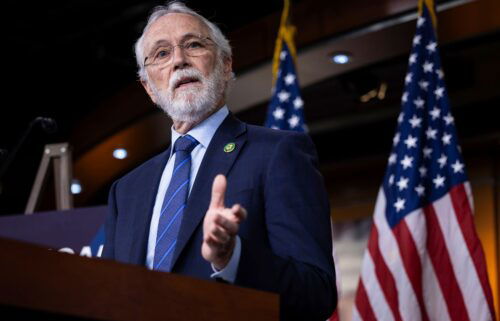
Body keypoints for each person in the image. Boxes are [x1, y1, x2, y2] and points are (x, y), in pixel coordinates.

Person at [102, 2, 337, 320]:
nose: (179, 61)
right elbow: (110, 298)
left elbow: (315, 293)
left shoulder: (278, 153)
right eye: (161, 54)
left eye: (193, 44)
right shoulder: (126, 190)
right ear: (149, 89)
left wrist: (232, 257)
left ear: (226, 64)